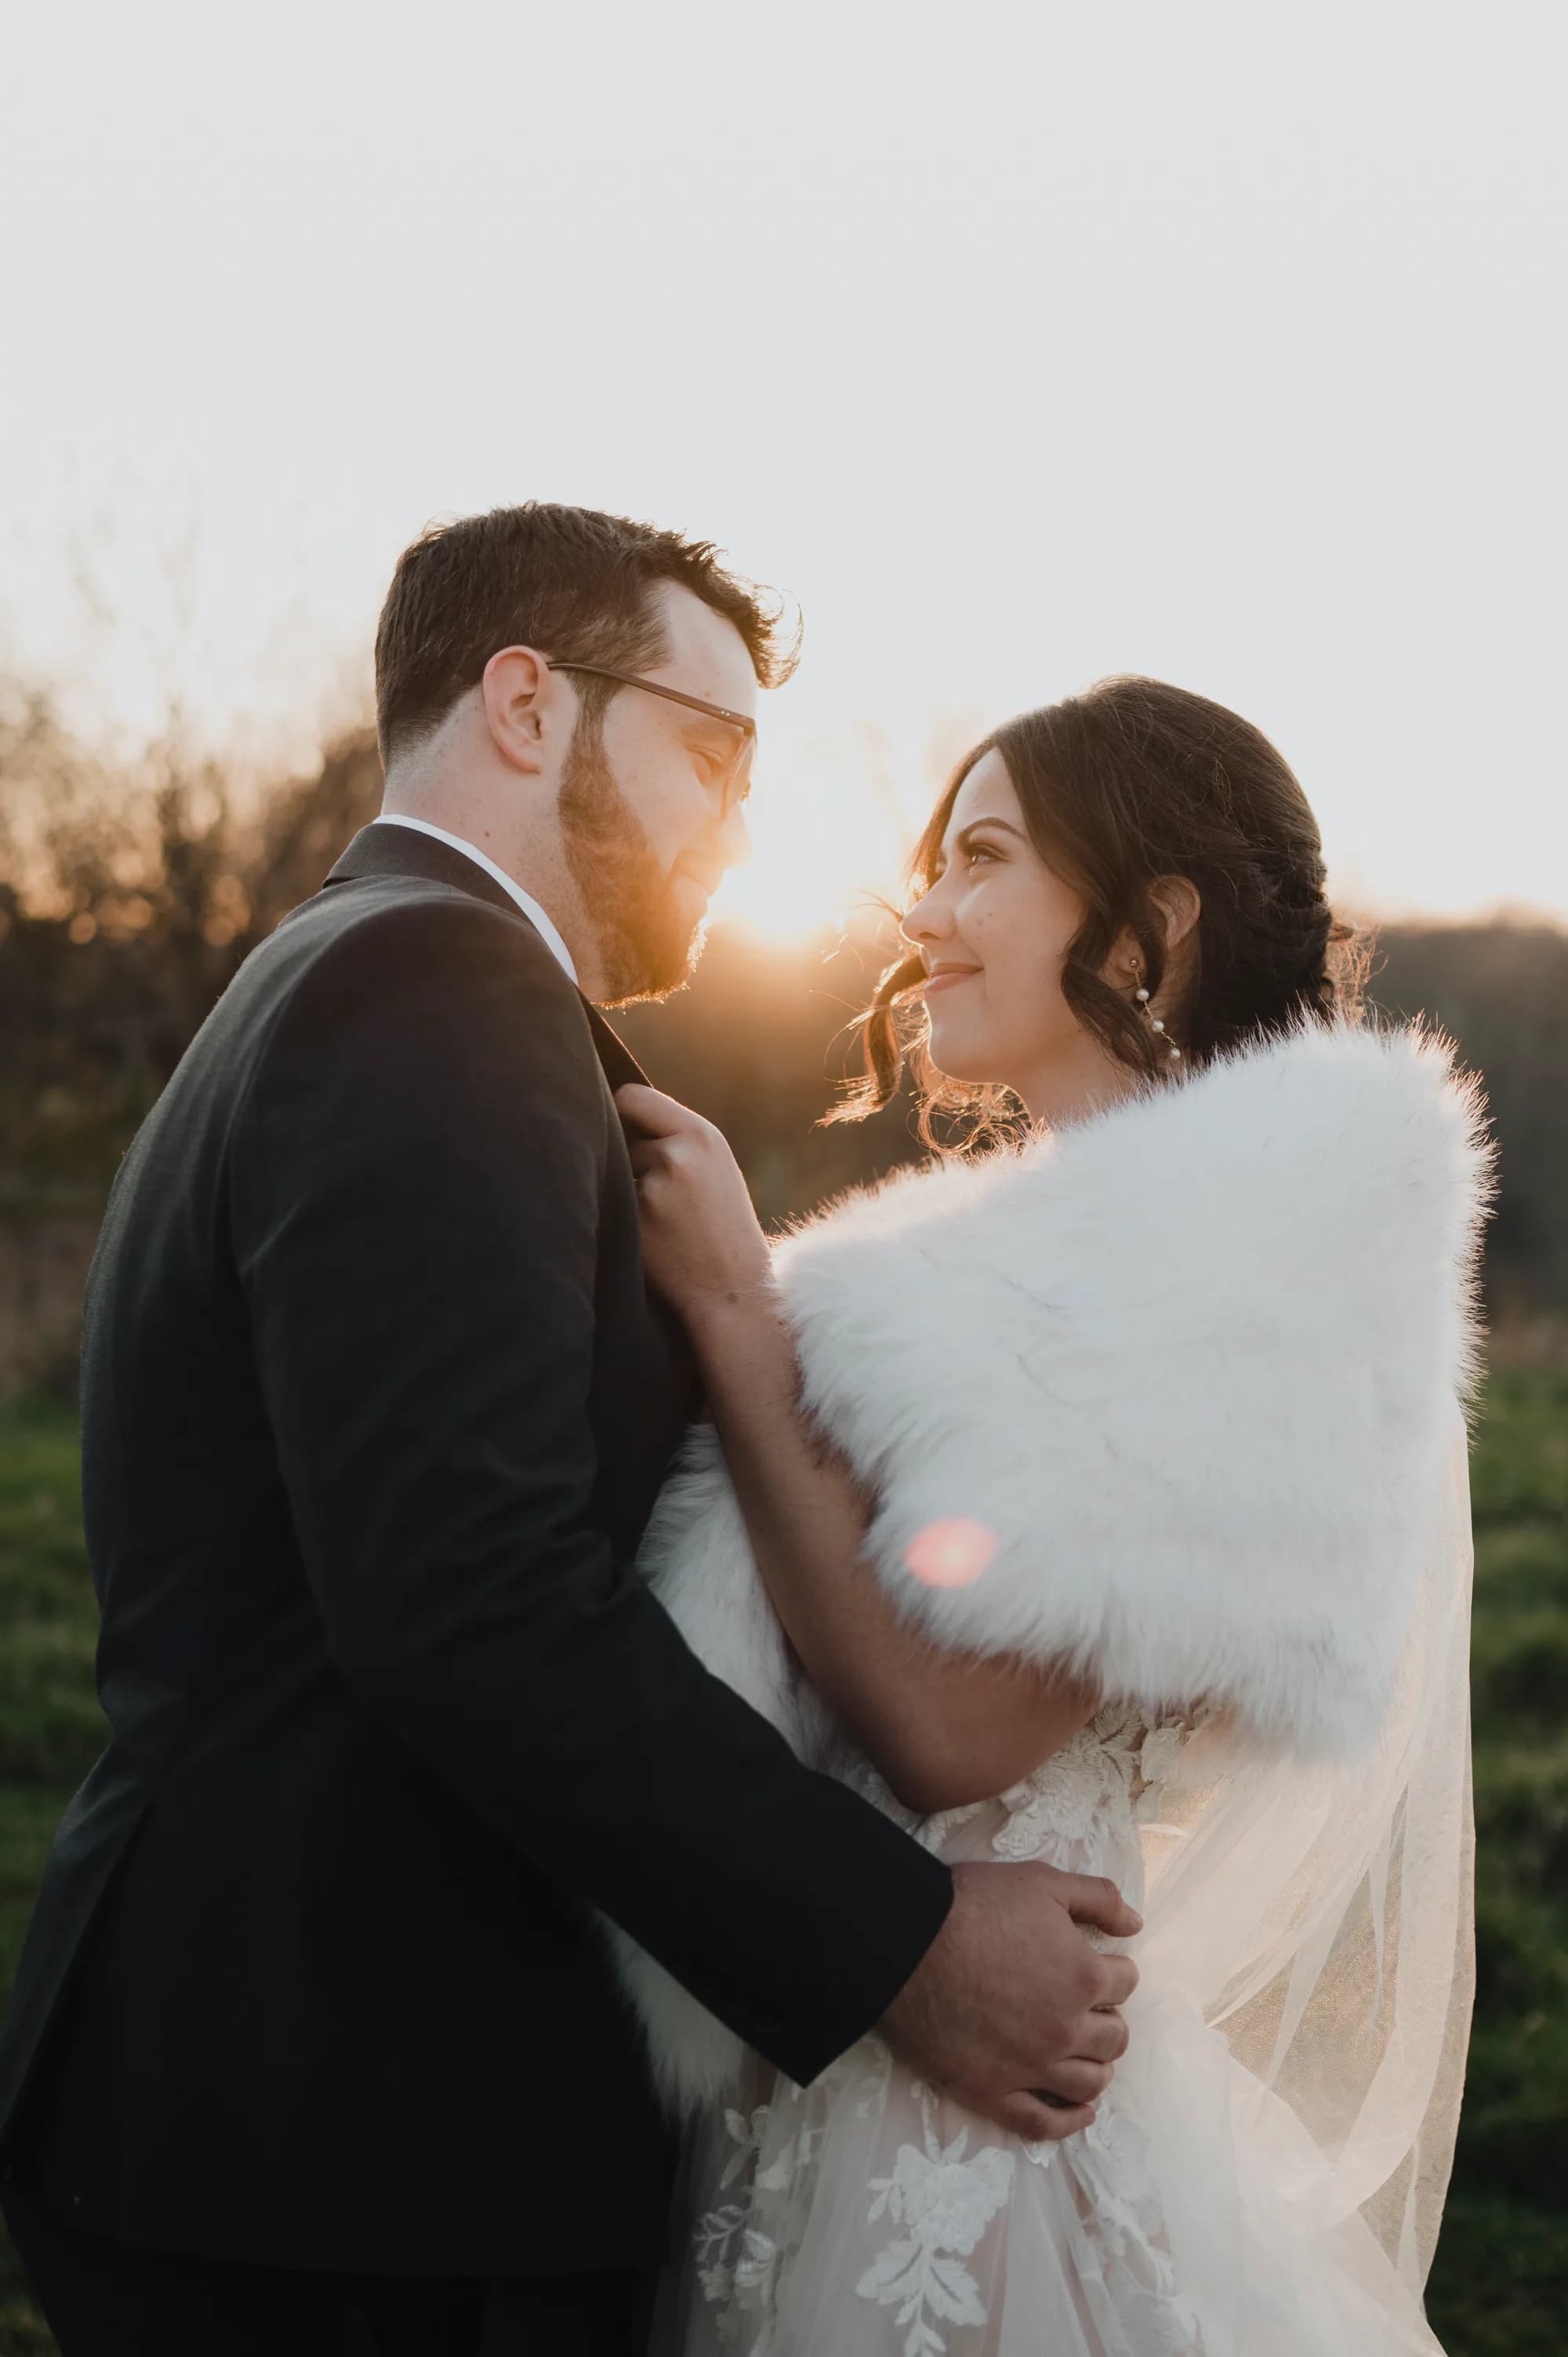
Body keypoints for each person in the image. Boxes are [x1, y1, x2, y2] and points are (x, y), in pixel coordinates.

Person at [0, 507, 1139, 2357]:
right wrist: (901, 1947)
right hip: (341, 2149)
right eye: (713, 755)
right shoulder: (429, 993)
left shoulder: (366, 967)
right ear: (526, 704)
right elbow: (469, 1595)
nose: (741, 825)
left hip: (296, 2108)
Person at [614, 678, 1489, 2355]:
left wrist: (734, 1316)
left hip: (975, 2133)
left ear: (1149, 926)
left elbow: (960, 1727)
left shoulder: (1237, 1273)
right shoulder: (1006, 1270)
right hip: (839, 2061)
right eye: (931, 866)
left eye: (984, 860)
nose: (922, 915)